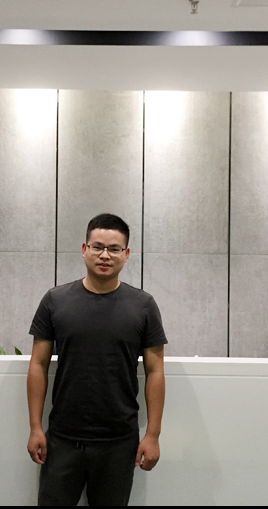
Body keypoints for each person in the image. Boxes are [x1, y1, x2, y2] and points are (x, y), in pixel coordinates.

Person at [26, 213, 167, 506]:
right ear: (84, 249)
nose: (105, 255)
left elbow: (155, 371)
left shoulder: (143, 306)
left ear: (126, 254)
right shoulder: (55, 300)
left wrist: (152, 434)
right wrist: (35, 427)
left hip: (119, 441)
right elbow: (38, 364)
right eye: (97, 247)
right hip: (62, 438)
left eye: (114, 249)